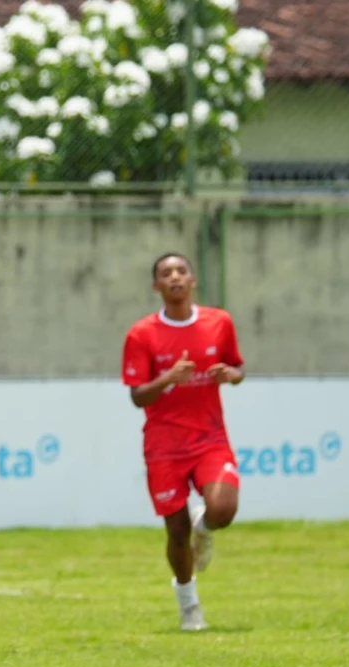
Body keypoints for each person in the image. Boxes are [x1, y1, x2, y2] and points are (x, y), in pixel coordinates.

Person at [122, 253, 245, 632]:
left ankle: (204, 529)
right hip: (163, 445)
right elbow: (138, 396)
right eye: (165, 273)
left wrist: (231, 375)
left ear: (193, 280)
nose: (174, 277)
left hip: (210, 437)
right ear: (156, 286)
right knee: (176, 531)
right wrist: (169, 378)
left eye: (181, 271)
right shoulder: (141, 334)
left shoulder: (219, 322)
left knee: (222, 509)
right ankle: (189, 605)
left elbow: (238, 367)